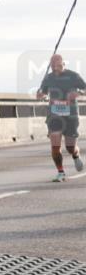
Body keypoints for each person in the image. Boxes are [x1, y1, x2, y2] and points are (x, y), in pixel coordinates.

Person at [36, 53, 85, 182]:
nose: (55, 68)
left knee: (70, 147)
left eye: (57, 65)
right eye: (52, 65)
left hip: (71, 115)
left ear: (63, 64)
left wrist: (79, 93)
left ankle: (75, 154)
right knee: (55, 145)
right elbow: (41, 91)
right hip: (55, 115)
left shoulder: (73, 76)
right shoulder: (48, 77)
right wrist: (40, 94)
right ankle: (61, 172)